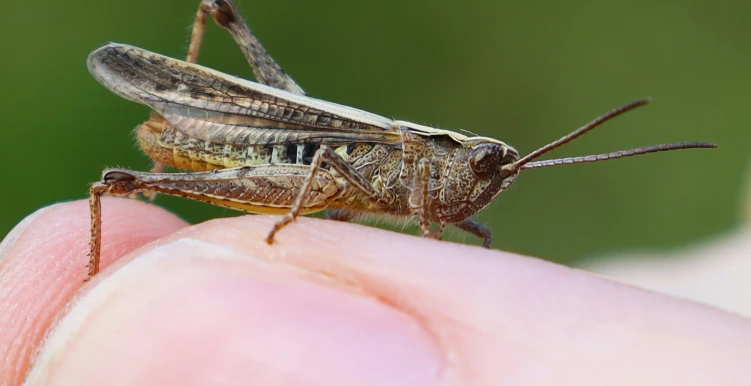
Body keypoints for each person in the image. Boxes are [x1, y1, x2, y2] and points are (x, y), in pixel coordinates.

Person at [2, 198, 750, 385]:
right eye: (486, 168)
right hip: (279, 150)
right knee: (115, 196)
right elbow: (329, 156)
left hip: (310, 180)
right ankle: (99, 287)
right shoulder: (406, 157)